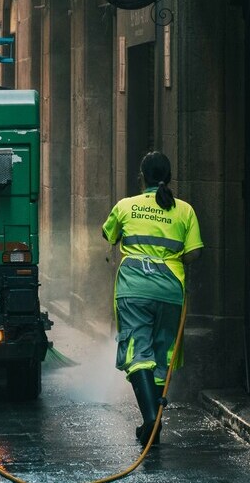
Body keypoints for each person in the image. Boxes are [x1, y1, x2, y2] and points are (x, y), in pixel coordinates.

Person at [101, 151, 203, 445]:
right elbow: (194, 252)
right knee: (161, 357)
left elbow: (108, 235)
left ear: (141, 177)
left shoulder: (126, 206)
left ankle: (150, 419)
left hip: (134, 289)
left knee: (136, 353)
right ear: (169, 178)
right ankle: (153, 425)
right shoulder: (185, 210)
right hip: (171, 290)